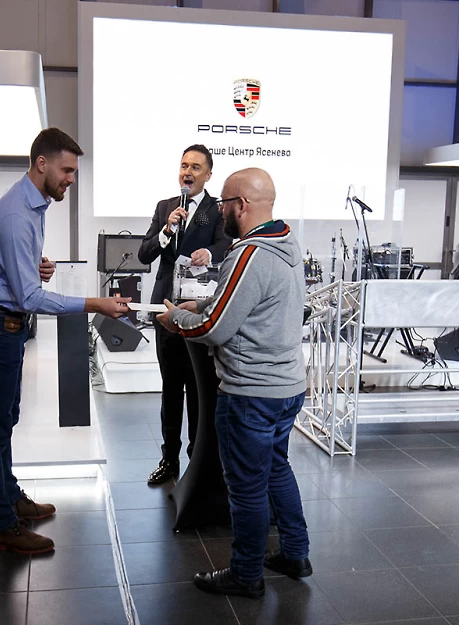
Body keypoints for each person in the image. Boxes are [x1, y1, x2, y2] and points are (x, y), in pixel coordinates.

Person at [0, 127, 130, 555]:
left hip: (5, 326)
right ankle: (3, 526)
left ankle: (10, 498)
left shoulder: (33, 205)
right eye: (67, 170)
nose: (71, 179)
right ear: (42, 164)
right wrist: (94, 303)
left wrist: (32, 266)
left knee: (6, 419)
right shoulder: (18, 214)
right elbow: (29, 298)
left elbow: (14, 275)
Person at [156, 167, 311, 598]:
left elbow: (214, 329)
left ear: (241, 205)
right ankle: (295, 553)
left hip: (251, 393)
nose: (219, 210)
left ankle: (246, 574)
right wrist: (206, 303)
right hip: (287, 387)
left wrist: (176, 318)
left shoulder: (250, 253)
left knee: (245, 488)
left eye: (224, 202)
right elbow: (248, 301)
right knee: (276, 469)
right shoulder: (287, 243)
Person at [138, 144, 230, 485]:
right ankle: (169, 459)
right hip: (166, 310)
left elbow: (226, 245)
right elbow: (144, 253)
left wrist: (210, 252)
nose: (187, 172)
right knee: (171, 387)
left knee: (199, 388)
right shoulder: (166, 207)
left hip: (199, 309)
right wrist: (166, 231)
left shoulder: (216, 210)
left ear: (208, 175)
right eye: (183, 166)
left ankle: (197, 458)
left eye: (195, 167)